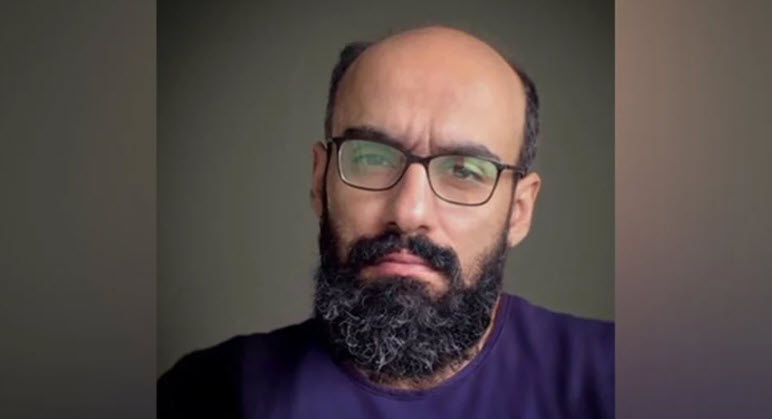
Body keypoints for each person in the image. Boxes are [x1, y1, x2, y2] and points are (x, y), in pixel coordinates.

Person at [158, 25, 614, 419]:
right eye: (372, 158)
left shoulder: (616, 379)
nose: (409, 213)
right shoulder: (211, 394)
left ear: (519, 211)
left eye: (464, 171)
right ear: (320, 181)